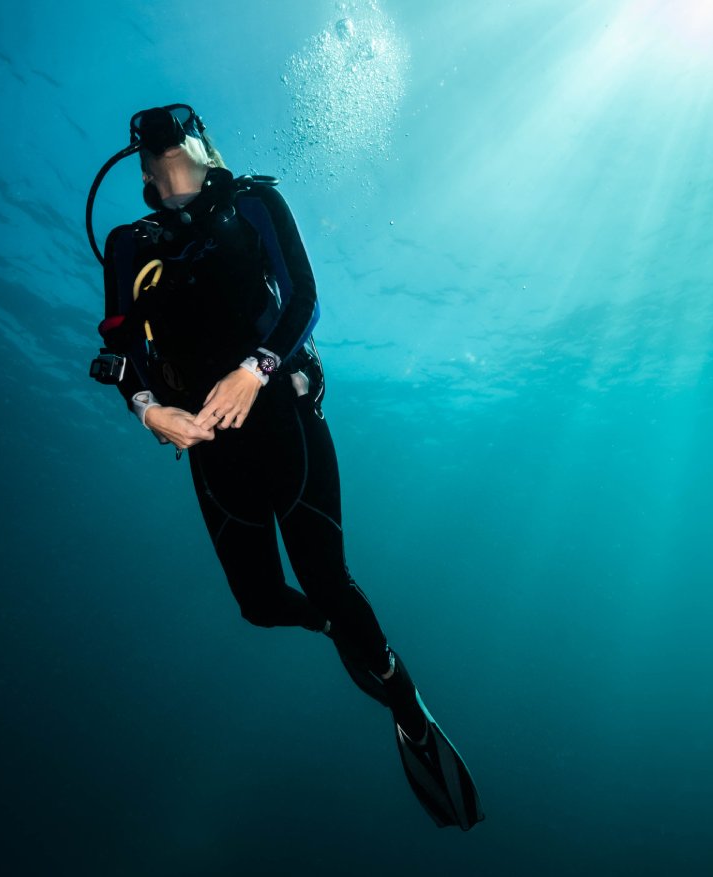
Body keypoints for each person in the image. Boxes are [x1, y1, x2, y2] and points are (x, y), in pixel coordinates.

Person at [86, 104, 482, 830]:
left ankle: (405, 703)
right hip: (208, 445)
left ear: (205, 144)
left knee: (329, 580)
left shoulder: (255, 204)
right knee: (261, 604)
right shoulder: (127, 243)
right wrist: (147, 409)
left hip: (284, 421)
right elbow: (120, 349)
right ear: (140, 168)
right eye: (154, 142)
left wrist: (257, 367)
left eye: (181, 129)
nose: (167, 141)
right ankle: (334, 630)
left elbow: (304, 297)